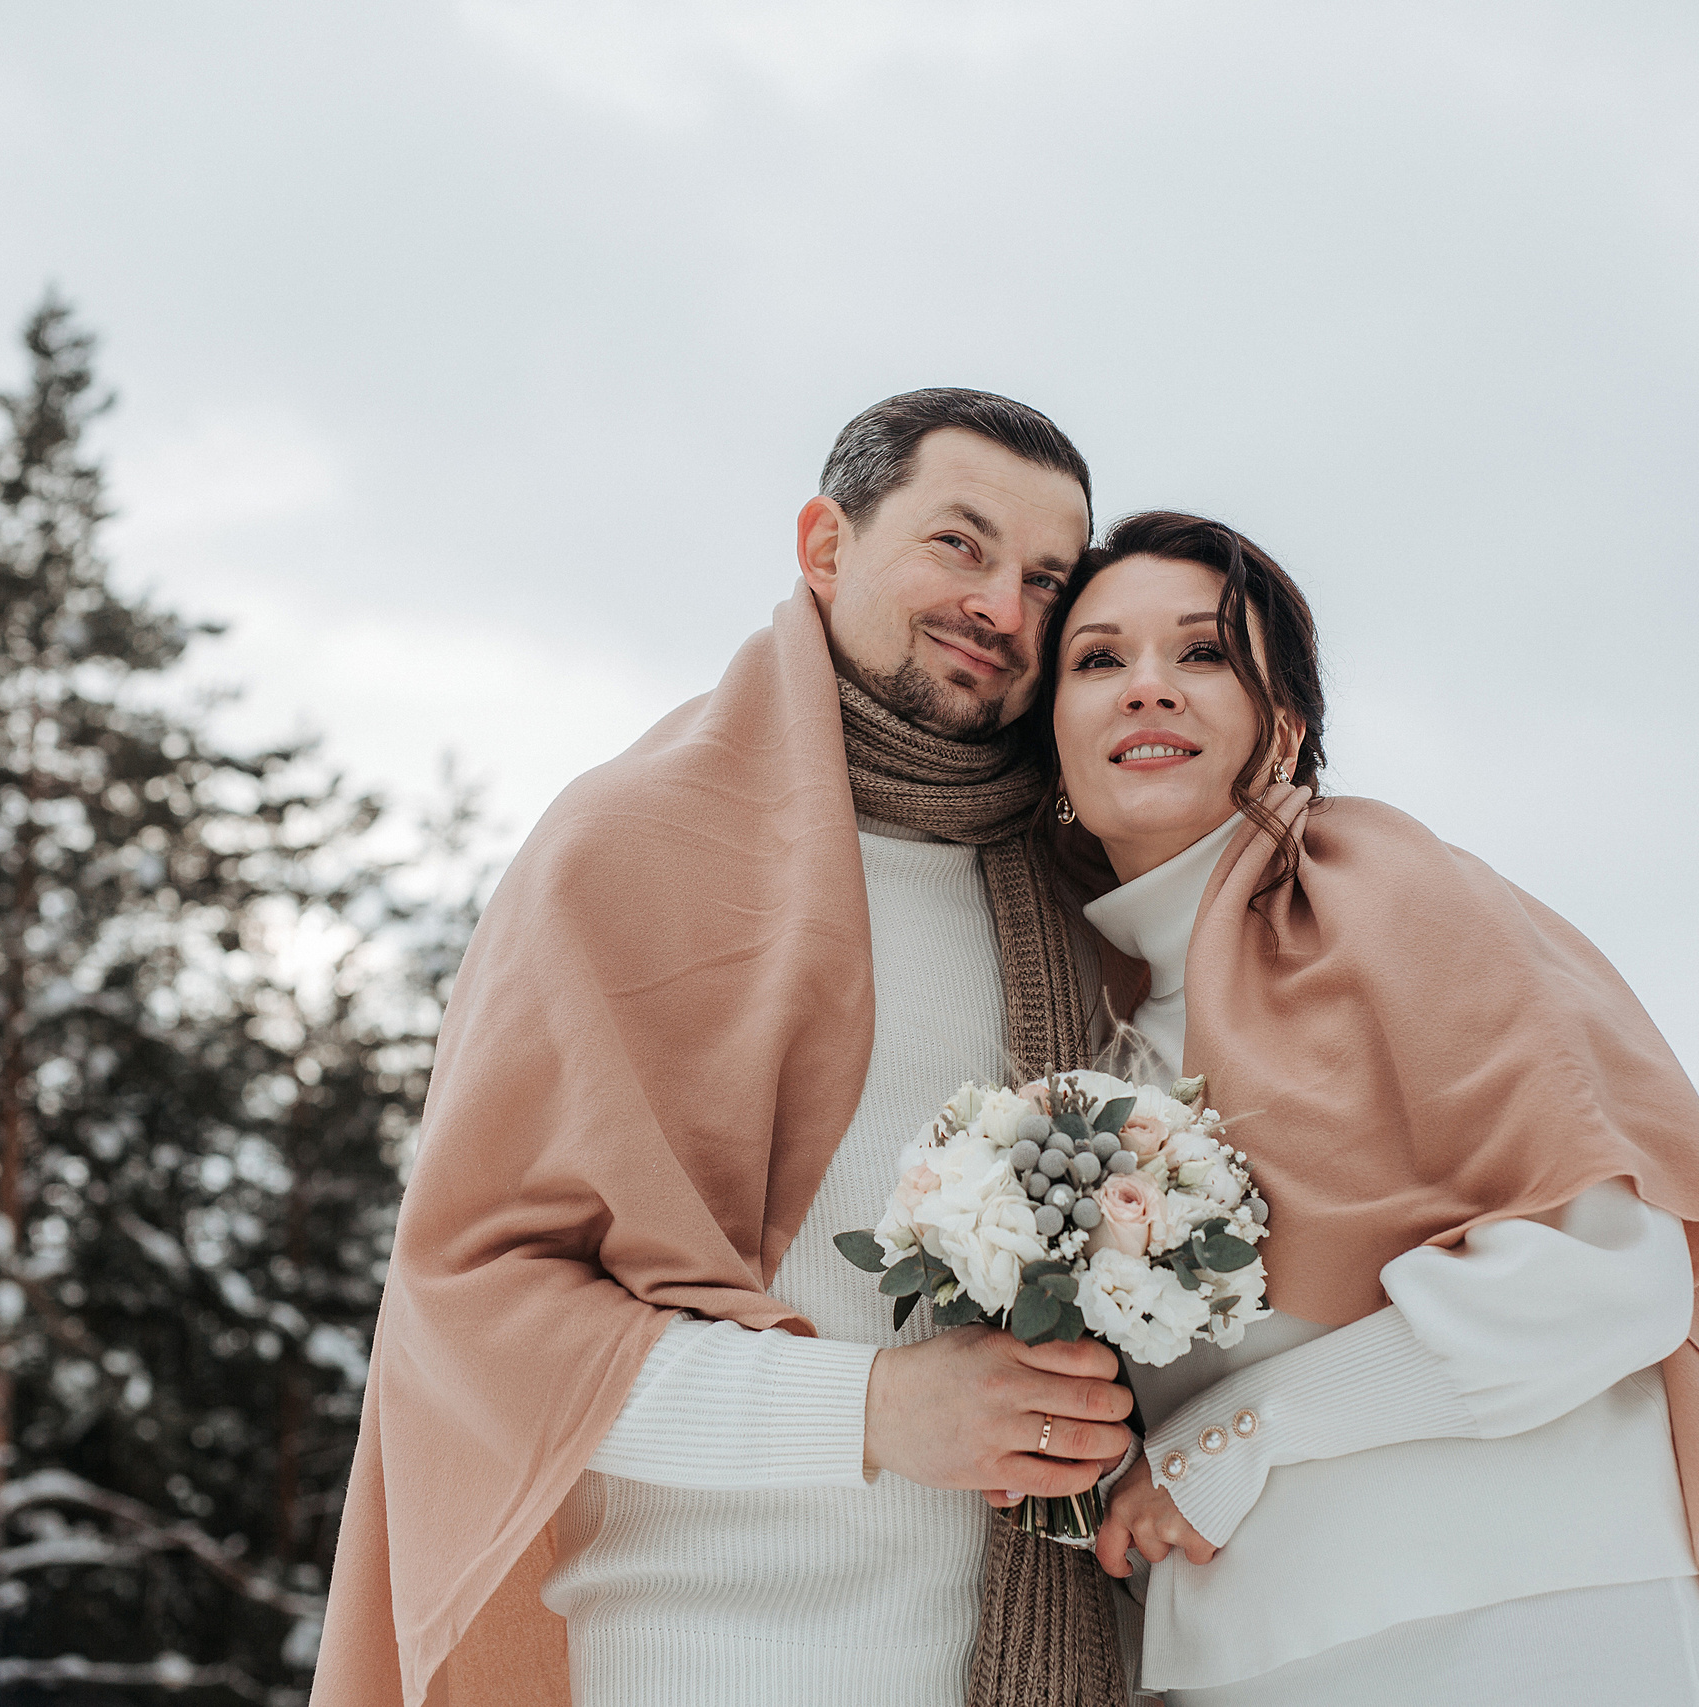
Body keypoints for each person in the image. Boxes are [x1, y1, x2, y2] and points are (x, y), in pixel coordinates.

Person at [311, 390, 1144, 1707]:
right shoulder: (625, 850)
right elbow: (474, 1320)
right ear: (825, 546)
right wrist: (872, 1408)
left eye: (1050, 579)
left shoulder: (1095, 903)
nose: (1005, 605)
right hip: (701, 1651)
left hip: (1046, 1660)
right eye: (960, 545)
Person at [1029, 512, 1699, 1707]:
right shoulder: (1064, 1031)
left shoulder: (1391, 898)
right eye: (1096, 660)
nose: (1146, 689)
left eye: (1201, 654)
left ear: (1283, 724)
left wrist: (1232, 1438)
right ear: (1055, 745)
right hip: (1239, 1659)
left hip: (1530, 1623)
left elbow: (1609, 1275)